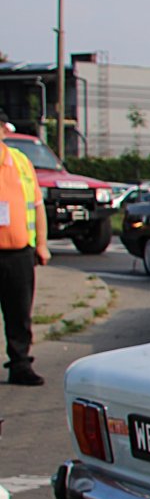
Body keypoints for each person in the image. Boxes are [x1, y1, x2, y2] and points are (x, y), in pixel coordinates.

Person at [0, 111, 50, 385]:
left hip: (19, 253)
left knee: (19, 313)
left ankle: (20, 365)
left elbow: (37, 206)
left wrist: (41, 244)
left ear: (4, 132)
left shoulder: (20, 162)